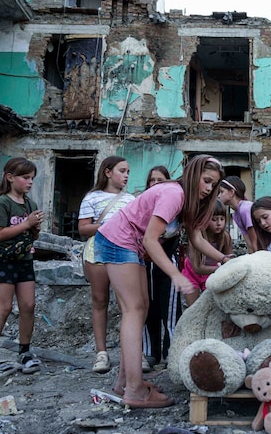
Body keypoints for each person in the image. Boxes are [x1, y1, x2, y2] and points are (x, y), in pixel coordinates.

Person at [97, 155, 229, 408]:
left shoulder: (189, 202)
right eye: (206, 181)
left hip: (131, 245)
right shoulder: (174, 194)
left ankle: (124, 382)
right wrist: (176, 275)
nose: (209, 188)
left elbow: (197, 239)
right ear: (193, 174)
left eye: (213, 185)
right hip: (117, 240)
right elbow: (151, 240)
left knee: (141, 308)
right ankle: (135, 390)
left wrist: (224, 259)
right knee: (134, 310)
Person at [0, 157, 44, 376]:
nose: (30, 182)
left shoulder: (30, 205)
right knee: (4, 307)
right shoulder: (1, 203)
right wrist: (27, 224)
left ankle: (25, 352)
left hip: (24, 260)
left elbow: (31, 236)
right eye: (25, 177)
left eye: (32, 178)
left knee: (28, 305)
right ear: (10, 177)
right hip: (3, 260)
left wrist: (34, 229)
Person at [77, 156, 135, 374]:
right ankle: (101, 353)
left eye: (128, 171)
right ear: (108, 172)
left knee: (126, 304)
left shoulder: (130, 199)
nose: (126, 175)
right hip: (98, 251)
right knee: (100, 300)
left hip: (124, 252)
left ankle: (131, 353)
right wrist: (108, 225)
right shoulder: (92, 198)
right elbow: (83, 228)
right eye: (122, 171)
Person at [141, 166, 182, 370]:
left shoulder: (173, 205)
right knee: (147, 306)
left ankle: (171, 351)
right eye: (152, 180)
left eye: (160, 180)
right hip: (145, 262)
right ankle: (150, 353)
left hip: (167, 261)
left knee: (171, 308)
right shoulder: (143, 205)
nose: (156, 184)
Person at [180, 199, 233, 306]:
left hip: (211, 273)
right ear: (205, 219)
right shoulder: (196, 237)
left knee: (211, 306)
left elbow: (230, 262)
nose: (219, 223)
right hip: (191, 272)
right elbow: (197, 268)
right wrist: (221, 267)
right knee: (193, 308)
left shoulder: (225, 237)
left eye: (222, 219)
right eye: (214, 219)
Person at [218, 176, 257, 253]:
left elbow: (254, 243)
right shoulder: (236, 214)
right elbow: (248, 243)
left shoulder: (245, 209)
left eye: (222, 192)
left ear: (232, 192)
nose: (219, 196)